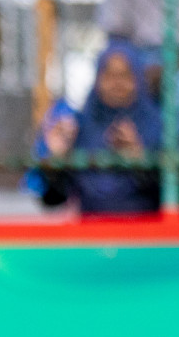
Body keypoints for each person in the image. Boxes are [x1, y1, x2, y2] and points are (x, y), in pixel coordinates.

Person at [30, 43, 163, 213]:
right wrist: (56, 161)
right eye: (109, 75)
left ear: (138, 80)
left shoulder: (159, 128)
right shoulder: (80, 128)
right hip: (92, 234)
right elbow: (53, 201)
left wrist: (141, 163)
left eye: (125, 75)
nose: (117, 84)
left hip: (150, 235)